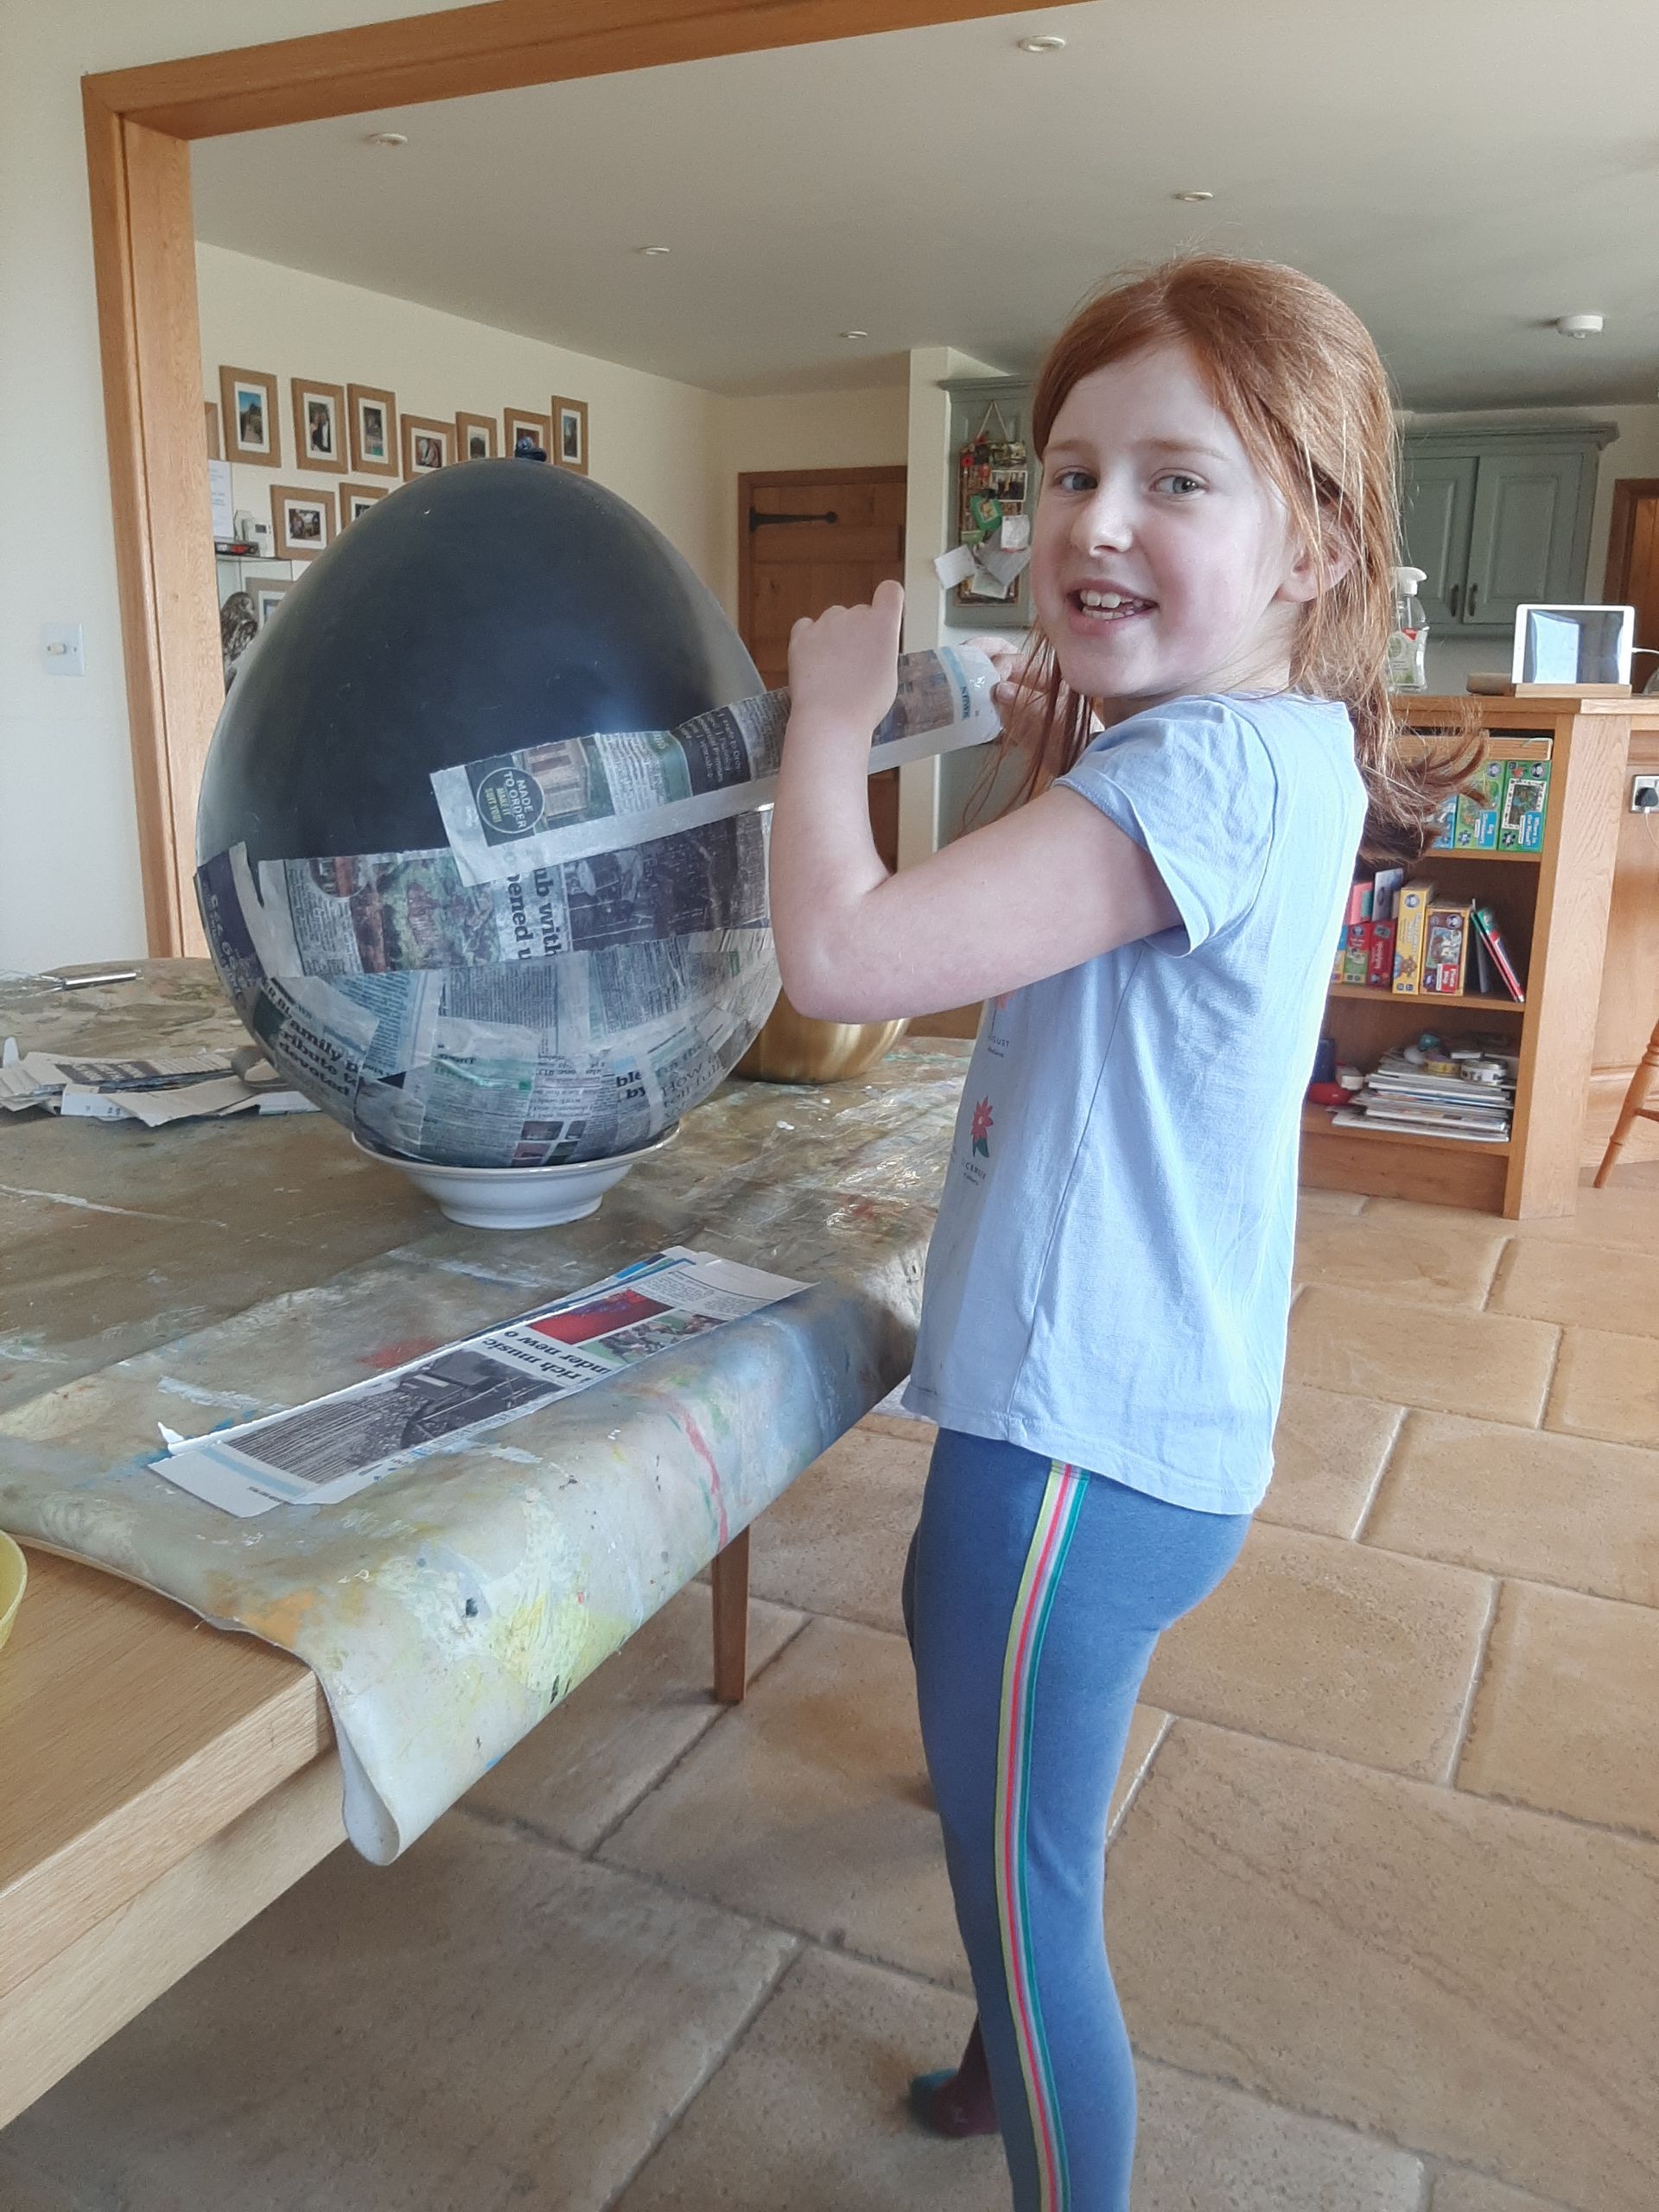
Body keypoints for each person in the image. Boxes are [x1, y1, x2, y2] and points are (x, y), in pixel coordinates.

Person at [767, 255, 1477, 2212]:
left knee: (1029, 1875)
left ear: (1316, 540)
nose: (1093, 522)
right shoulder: (1274, 749)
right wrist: (1054, 745)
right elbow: (1079, 926)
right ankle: (1001, 2053)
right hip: (1145, 1420)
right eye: (1069, 473)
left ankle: (1046, 2100)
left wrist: (826, 722)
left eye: (1181, 480)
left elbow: (840, 952)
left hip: (1069, 1452)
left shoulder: (1189, 776)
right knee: (999, 1747)